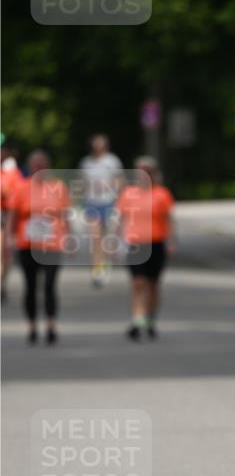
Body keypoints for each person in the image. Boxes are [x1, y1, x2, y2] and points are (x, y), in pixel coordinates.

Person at [5, 149, 71, 344]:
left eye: (42, 164)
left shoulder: (58, 187)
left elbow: (65, 215)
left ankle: (51, 325)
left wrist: (69, 237)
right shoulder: (21, 187)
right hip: (28, 243)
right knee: (31, 286)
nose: (39, 167)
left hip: (52, 243)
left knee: (50, 285)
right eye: (35, 164)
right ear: (30, 167)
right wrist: (9, 238)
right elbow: (13, 216)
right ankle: (32, 326)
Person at [115, 156, 175, 340]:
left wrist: (171, 241)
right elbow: (121, 219)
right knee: (137, 283)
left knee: (153, 284)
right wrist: (117, 242)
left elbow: (169, 219)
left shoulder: (161, 194)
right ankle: (137, 320)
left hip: (156, 243)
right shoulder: (128, 193)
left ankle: (150, 319)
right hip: (135, 244)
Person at [79, 134, 123, 286]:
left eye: (101, 144)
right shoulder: (86, 162)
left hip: (108, 201)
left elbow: (120, 180)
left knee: (105, 237)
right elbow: (82, 182)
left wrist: (110, 188)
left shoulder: (112, 160)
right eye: (95, 144)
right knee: (95, 235)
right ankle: (97, 268)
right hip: (91, 202)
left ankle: (105, 262)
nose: (98, 147)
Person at [0, 137, 23, 301]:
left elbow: (17, 195)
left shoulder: (12, 172)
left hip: (5, 215)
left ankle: (2, 284)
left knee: (4, 255)